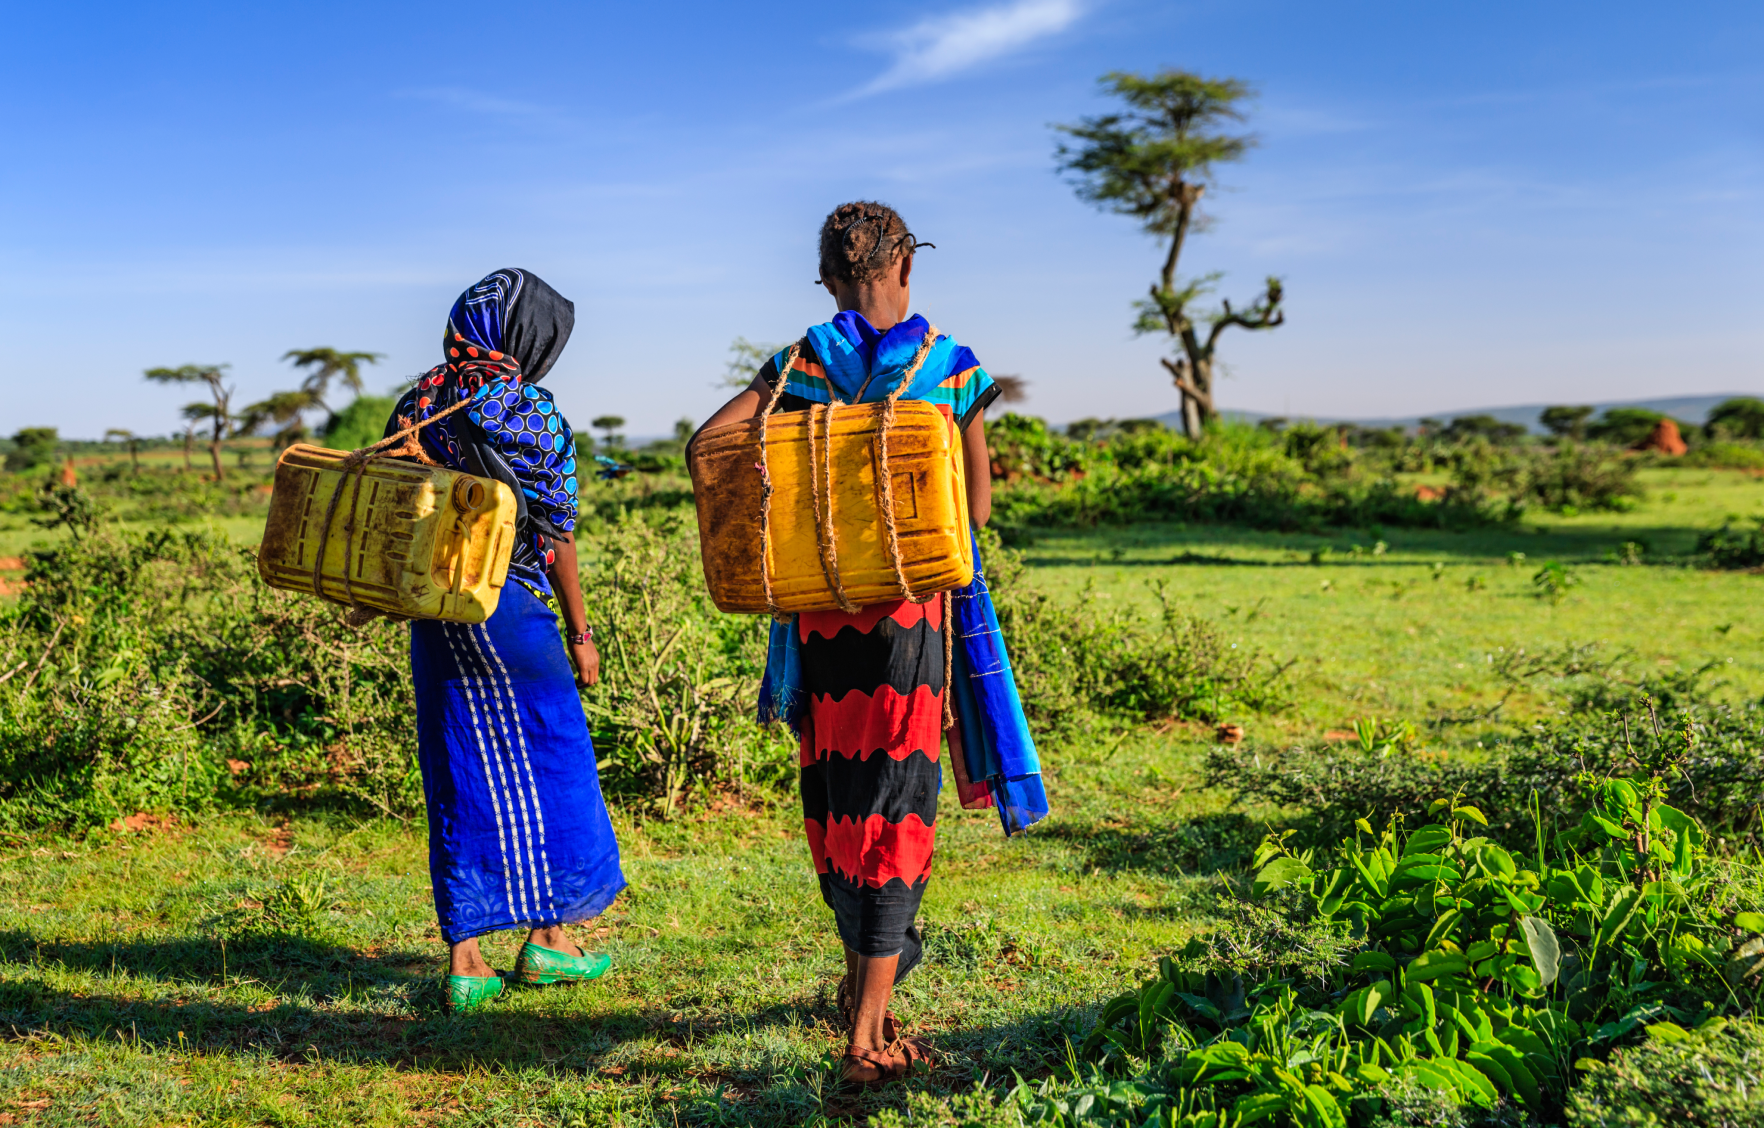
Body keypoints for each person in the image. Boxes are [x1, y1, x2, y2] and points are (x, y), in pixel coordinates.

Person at [695, 202, 1007, 1084]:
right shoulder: (950, 367)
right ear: (907, 266)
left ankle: (856, 989)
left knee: (840, 805)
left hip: (819, 624)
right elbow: (976, 513)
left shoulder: (800, 365)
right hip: (909, 622)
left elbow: (711, 445)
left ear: (829, 279)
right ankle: (868, 1040)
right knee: (897, 805)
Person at [386, 268, 626, 1013]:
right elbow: (554, 537)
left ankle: (466, 961)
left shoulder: (420, 401)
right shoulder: (527, 413)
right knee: (555, 764)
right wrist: (581, 633)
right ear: (527, 337)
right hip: (510, 607)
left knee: (461, 768)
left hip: (434, 610)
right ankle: (552, 942)